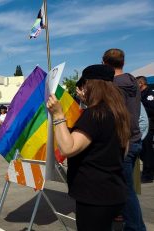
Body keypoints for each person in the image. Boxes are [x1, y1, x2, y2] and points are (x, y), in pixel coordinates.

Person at [47, 64, 129, 230]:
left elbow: (68, 148)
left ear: (91, 86)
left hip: (94, 195)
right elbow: (124, 151)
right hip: (113, 191)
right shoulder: (118, 112)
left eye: (83, 85)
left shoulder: (95, 114)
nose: (81, 90)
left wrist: (57, 114)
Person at [103, 48, 146, 231]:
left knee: (126, 191)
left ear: (104, 63)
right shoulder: (133, 82)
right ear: (124, 62)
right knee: (125, 189)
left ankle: (136, 228)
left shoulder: (112, 86)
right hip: (135, 139)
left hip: (123, 142)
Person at [136, 76, 154, 183]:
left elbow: (152, 109)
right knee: (143, 151)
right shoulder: (139, 95)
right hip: (143, 125)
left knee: (146, 150)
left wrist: (139, 108)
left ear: (141, 83)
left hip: (149, 125)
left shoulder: (150, 93)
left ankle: (148, 175)